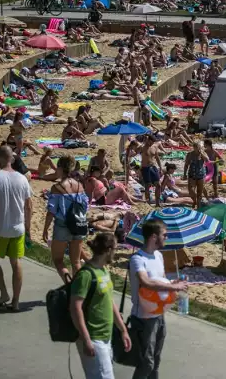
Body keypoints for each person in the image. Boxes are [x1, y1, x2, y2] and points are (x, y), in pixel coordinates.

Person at [130, 219, 188, 379]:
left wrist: (173, 283)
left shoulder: (159, 256)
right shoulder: (137, 259)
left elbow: (161, 281)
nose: (167, 238)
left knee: (155, 360)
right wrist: (172, 287)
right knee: (146, 362)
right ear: (154, 237)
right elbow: (146, 282)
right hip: (143, 317)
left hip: (159, 315)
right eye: (165, 235)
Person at [70, 233, 131, 379]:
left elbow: (110, 301)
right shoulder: (85, 275)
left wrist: (123, 330)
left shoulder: (103, 270)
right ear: (108, 250)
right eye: (115, 249)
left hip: (106, 336)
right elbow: (75, 308)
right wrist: (86, 339)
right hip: (93, 337)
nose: (115, 254)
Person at [0, 146, 33, 312]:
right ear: (12, 159)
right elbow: (29, 207)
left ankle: (4, 293)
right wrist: (28, 229)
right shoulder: (22, 179)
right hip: (18, 228)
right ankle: (16, 302)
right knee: (16, 262)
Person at [43, 155, 89, 282]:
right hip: (78, 222)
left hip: (62, 224)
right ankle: (79, 291)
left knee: (58, 261)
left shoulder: (57, 188)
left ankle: (69, 285)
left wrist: (45, 229)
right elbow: (85, 206)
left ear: (60, 169)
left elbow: (51, 211)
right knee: (76, 262)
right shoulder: (80, 186)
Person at [183, 141, 209, 209]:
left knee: (199, 192)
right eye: (196, 147)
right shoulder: (190, 154)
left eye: (199, 147)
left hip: (201, 174)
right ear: (194, 147)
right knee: (191, 190)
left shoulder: (203, 153)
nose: (198, 148)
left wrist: (201, 154)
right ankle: (194, 200)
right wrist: (184, 174)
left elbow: (207, 160)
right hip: (192, 174)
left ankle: (199, 206)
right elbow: (186, 165)